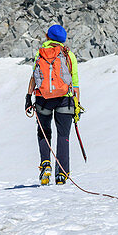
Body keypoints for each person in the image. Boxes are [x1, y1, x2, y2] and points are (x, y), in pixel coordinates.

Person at [25, 24, 82, 185]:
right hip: (65, 98)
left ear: (47, 36)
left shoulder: (40, 53)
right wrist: (76, 105)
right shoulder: (68, 55)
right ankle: (61, 174)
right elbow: (75, 83)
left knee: (44, 132)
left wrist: (28, 97)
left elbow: (34, 77)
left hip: (43, 99)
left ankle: (45, 165)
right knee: (63, 135)